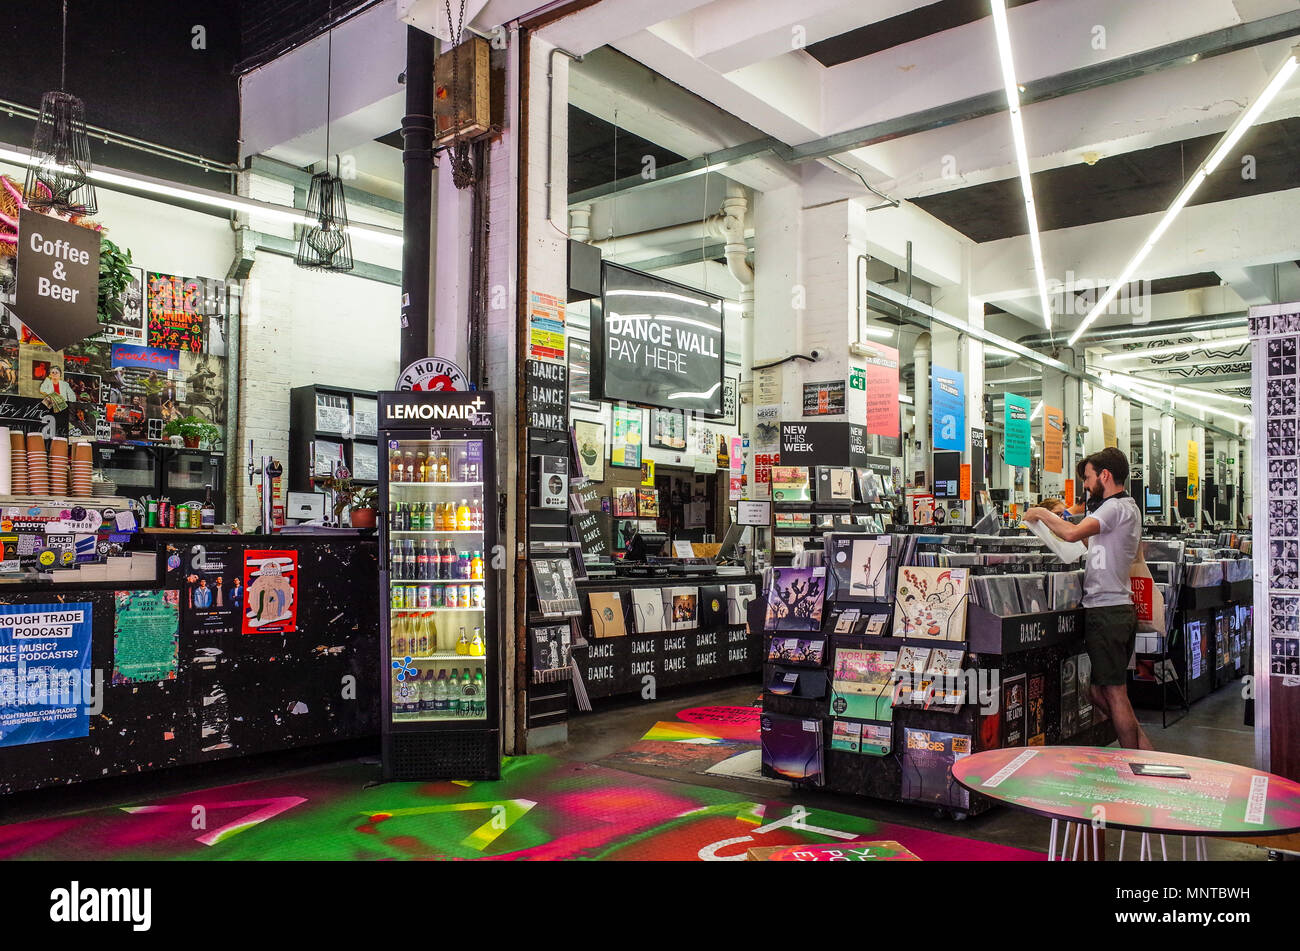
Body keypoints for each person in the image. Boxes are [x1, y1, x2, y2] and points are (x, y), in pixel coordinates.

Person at [1023, 447, 1152, 750]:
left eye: (1088, 477)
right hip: (1110, 609)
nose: (1085, 484)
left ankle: (1135, 760)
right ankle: (1142, 746)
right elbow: (1085, 539)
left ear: (1105, 475)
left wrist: (1041, 513)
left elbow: (1072, 534)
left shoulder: (1114, 507)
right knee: (1097, 692)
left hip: (1108, 611)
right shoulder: (1122, 508)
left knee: (1114, 692)